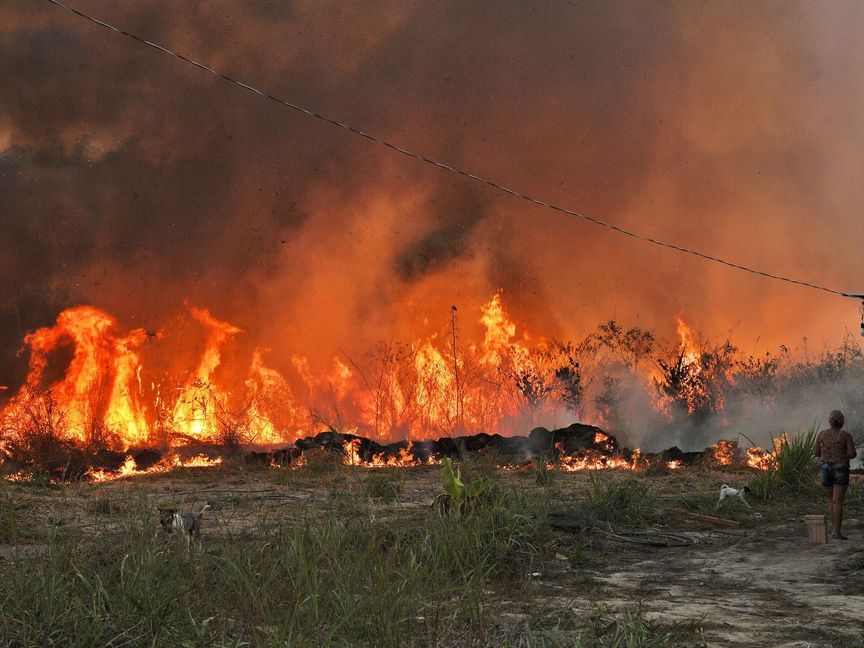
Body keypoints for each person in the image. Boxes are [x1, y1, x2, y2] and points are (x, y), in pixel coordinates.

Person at [814, 410, 857, 540]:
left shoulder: (821, 434)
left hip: (825, 469)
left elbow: (816, 453)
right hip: (840, 469)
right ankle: (837, 532)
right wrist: (843, 454)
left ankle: (834, 530)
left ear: (830, 421)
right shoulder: (845, 436)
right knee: (838, 502)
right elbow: (853, 454)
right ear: (842, 422)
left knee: (831, 500)